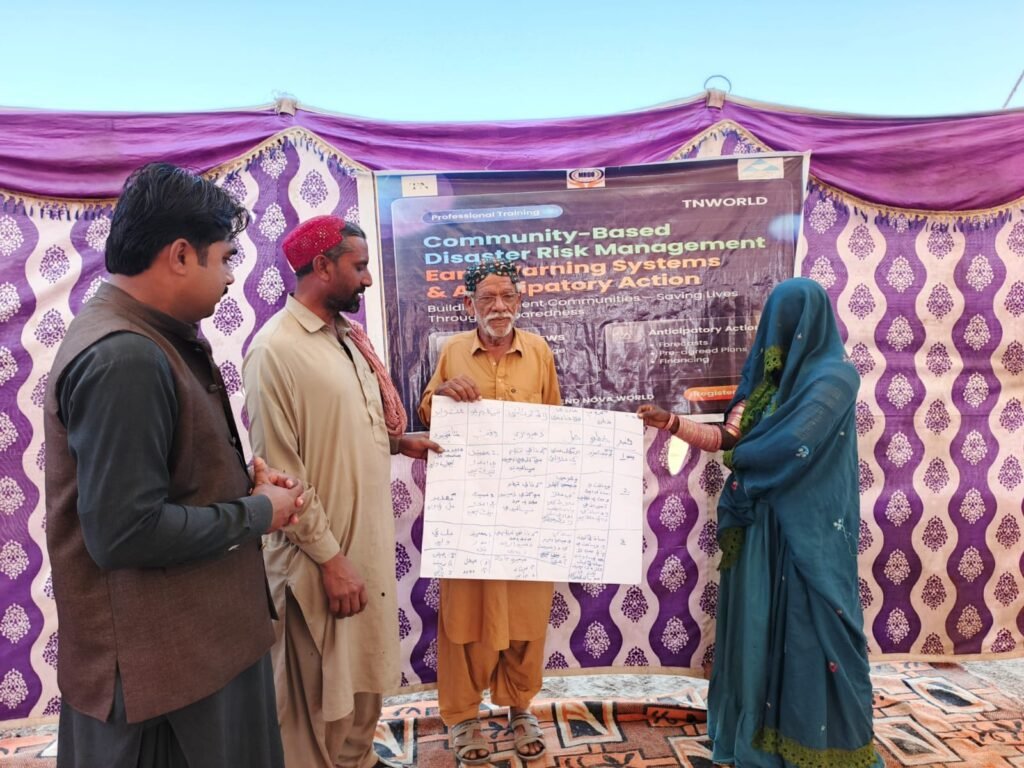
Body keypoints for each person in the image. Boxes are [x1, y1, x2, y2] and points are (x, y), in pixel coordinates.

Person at [43, 162, 306, 768]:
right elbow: (124, 532)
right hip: (165, 687)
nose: (232, 275)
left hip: (193, 660)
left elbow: (164, 481)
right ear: (181, 254)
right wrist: (258, 513)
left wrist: (243, 482)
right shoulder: (125, 356)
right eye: (225, 257)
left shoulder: (149, 335)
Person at [637, 277, 881, 768]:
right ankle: (756, 737)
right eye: (775, 318)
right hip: (756, 528)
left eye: (789, 319)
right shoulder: (764, 386)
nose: (779, 330)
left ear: (812, 322)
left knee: (815, 628)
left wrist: (745, 456)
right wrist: (671, 424)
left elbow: (792, 447)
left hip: (806, 530)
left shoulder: (835, 378)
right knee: (756, 629)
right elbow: (729, 438)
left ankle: (822, 742)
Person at [243, 215, 440, 768]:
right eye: (359, 267)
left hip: (365, 558)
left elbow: (348, 430)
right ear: (322, 266)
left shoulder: (347, 342)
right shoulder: (275, 351)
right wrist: (332, 562)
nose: (368, 280)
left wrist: (401, 444)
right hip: (318, 567)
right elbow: (281, 474)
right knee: (313, 717)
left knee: (362, 700)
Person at [418, 257, 561, 765]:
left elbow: (556, 425)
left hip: (524, 512)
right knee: (464, 616)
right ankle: (461, 717)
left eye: (507, 298)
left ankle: (520, 707)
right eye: (487, 299)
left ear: (520, 302)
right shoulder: (454, 350)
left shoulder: (539, 351)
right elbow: (429, 411)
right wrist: (442, 394)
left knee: (525, 614)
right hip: (471, 511)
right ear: (469, 304)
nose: (498, 308)